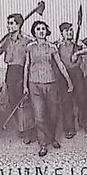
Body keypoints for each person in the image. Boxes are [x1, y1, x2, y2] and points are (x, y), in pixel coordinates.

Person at [22, 20, 74, 157]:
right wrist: (25, 85)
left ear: (46, 31)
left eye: (43, 29)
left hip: (51, 83)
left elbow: (60, 65)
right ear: (34, 32)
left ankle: (52, 138)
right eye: (38, 29)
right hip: (34, 84)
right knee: (39, 115)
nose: (41, 31)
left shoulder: (52, 47)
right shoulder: (30, 47)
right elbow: (27, 66)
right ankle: (43, 144)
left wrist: (69, 82)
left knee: (53, 114)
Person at [0, 11, 35, 143]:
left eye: (11, 23)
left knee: (24, 102)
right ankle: (21, 126)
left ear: (18, 25)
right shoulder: (6, 40)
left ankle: (28, 131)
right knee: (13, 101)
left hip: (23, 71)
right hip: (10, 72)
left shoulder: (27, 40)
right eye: (8, 23)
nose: (8, 26)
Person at [55, 22, 83, 138]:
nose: (69, 33)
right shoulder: (58, 45)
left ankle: (85, 123)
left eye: (71, 30)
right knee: (66, 102)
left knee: (82, 98)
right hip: (63, 75)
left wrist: (77, 53)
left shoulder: (77, 43)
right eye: (67, 31)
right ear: (62, 33)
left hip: (76, 73)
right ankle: (69, 128)